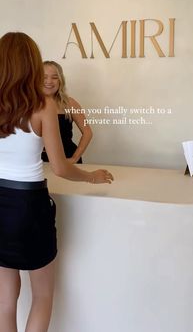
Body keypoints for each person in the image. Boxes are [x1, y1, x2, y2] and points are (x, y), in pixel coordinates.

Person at [0, 32, 113, 332]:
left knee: (4, 301)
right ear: (31, 64)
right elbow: (61, 168)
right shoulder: (42, 105)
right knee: (43, 295)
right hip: (28, 206)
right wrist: (91, 176)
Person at [42, 60, 92, 164]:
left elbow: (87, 132)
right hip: (38, 161)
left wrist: (75, 158)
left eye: (54, 77)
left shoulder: (70, 103)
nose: (49, 81)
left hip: (66, 158)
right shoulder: (28, 104)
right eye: (44, 77)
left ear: (60, 80)